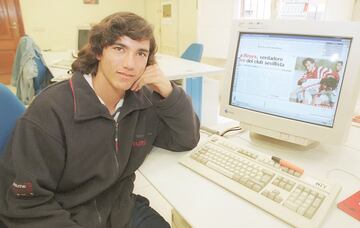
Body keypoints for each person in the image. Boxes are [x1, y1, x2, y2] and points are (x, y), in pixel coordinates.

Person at [0, 12, 200, 228]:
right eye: (119, 49)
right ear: (98, 52)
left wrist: (169, 91)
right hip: (65, 214)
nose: (130, 64)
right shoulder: (49, 111)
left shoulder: (143, 102)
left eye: (141, 53)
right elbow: (24, 206)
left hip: (119, 208)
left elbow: (185, 139)